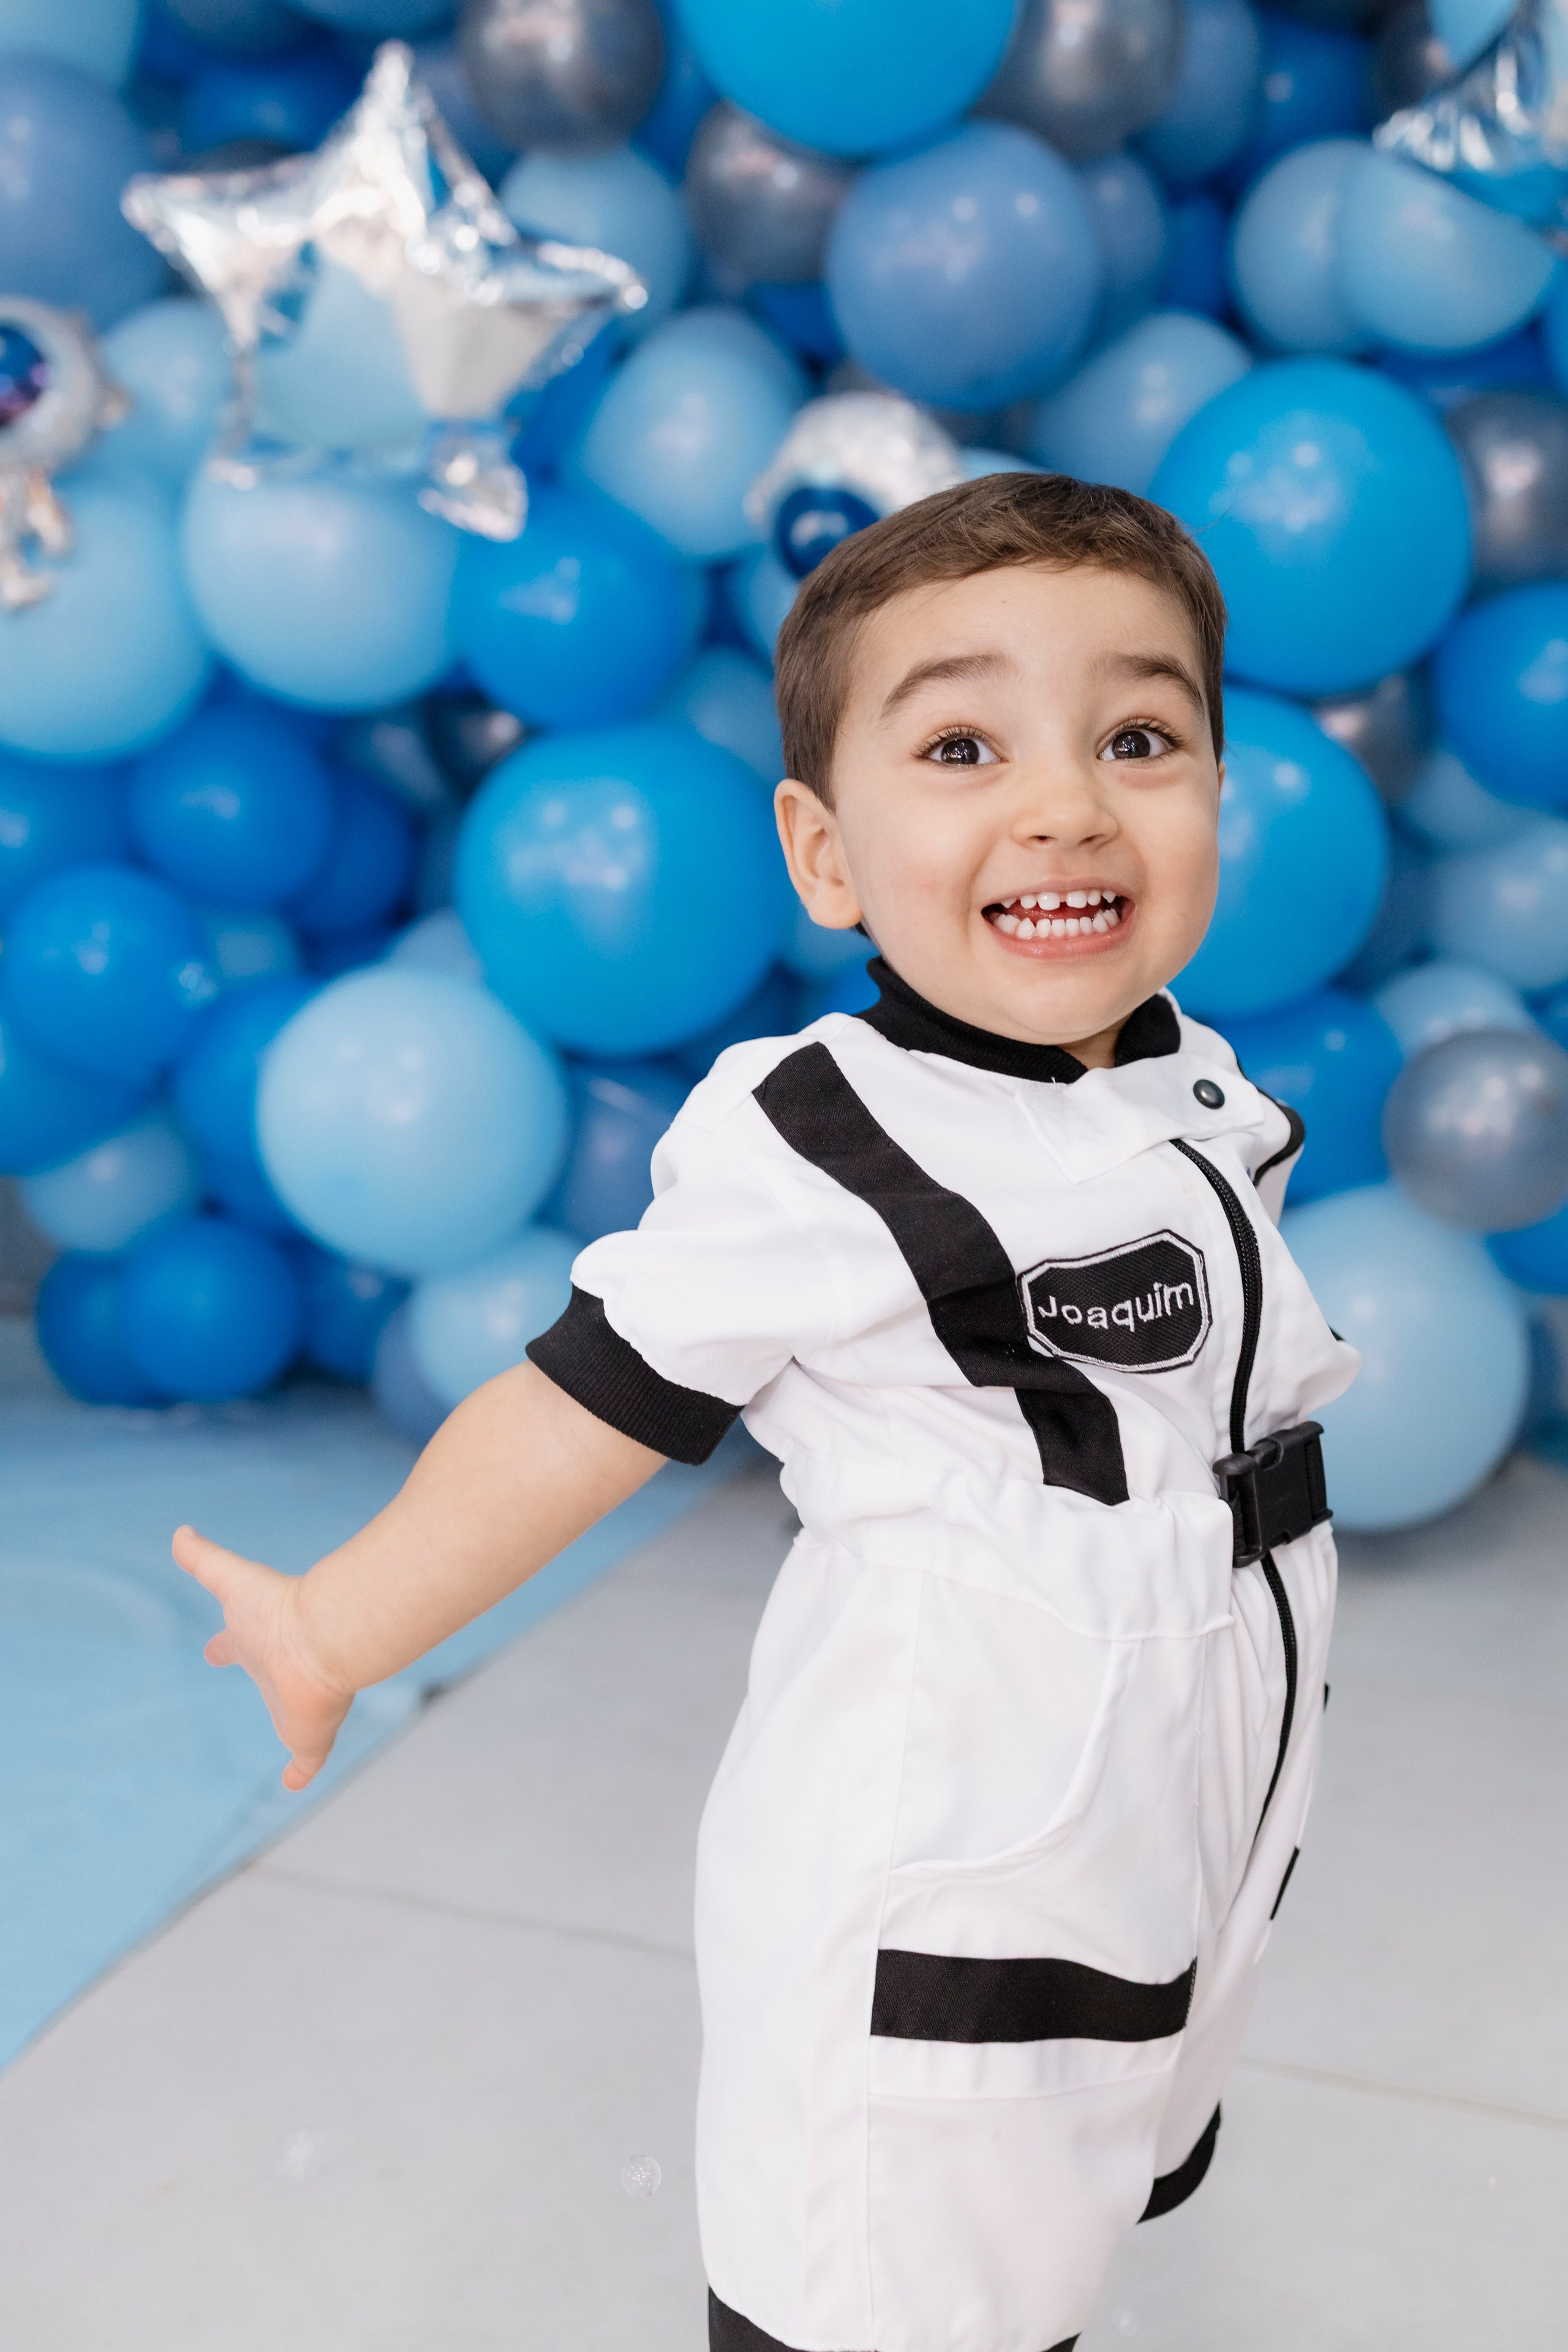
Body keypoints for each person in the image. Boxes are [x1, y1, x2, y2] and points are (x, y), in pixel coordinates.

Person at [176, 471, 1359, 2352]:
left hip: (1174, 1807)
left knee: (1040, 2245)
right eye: (964, 744)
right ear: (824, 857)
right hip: (961, 1840)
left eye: (1139, 735)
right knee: (891, 2285)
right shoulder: (825, 1140)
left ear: (1220, 791)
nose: (1066, 800)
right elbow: (584, 1408)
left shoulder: (1179, 1084)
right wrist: (337, 1624)